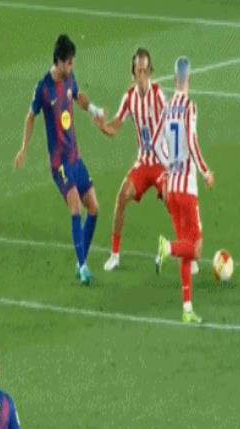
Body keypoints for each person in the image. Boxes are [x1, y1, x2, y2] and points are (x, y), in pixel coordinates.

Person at [14, 34, 104, 285]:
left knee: (94, 208)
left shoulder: (69, 79)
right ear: (59, 61)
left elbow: (78, 96)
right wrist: (23, 148)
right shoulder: (43, 88)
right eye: (70, 63)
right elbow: (30, 117)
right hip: (60, 164)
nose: (72, 67)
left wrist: (94, 110)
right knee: (75, 207)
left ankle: (80, 260)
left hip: (76, 158)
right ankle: (83, 266)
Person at [97, 49, 176, 271]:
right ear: (133, 73)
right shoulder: (129, 98)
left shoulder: (158, 95)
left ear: (150, 72)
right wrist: (103, 126)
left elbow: (172, 120)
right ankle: (115, 255)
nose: (141, 74)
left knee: (174, 201)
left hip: (161, 164)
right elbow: (115, 126)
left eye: (145, 70)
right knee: (122, 197)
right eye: (138, 70)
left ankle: (189, 255)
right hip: (142, 164)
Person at [153, 57, 214, 323]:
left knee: (186, 250)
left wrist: (167, 170)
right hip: (187, 188)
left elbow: (157, 144)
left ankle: (187, 309)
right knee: (195, 249)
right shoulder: (189, 107)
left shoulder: (166, 107)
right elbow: (192, 141)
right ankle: (166, 247)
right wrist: (206, 171)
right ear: (188, 78)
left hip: (172, 189)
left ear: (173, 78)